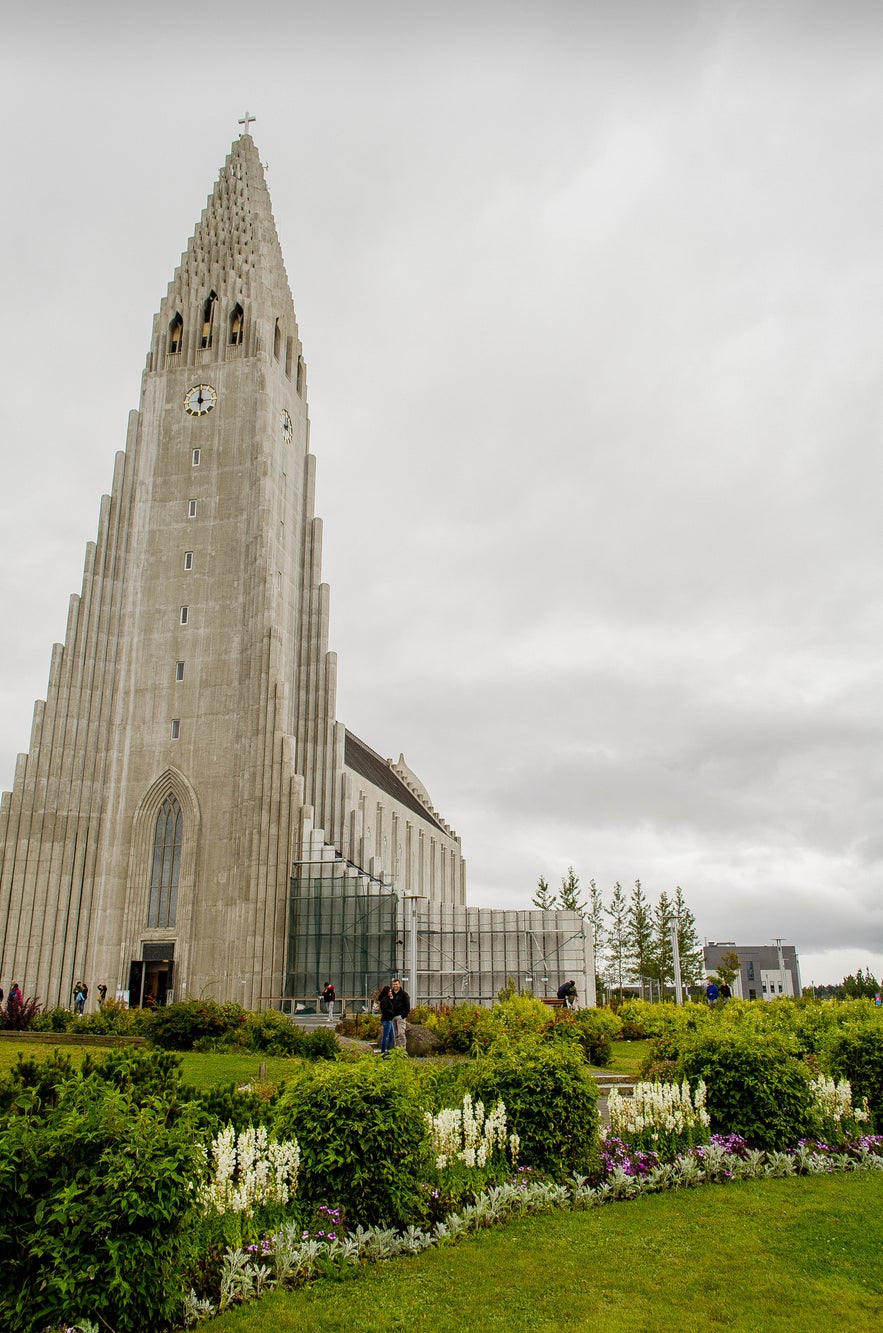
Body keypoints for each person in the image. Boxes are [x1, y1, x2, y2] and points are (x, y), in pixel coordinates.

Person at [390, 978, 410, 1049]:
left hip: (400, 1016)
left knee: (401, 1033)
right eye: (394, 984)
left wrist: (403, 1015)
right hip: (393, 1017)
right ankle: (397, 1049)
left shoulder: (404, 994)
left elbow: (407, 1006)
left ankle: (402, 1050)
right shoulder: (390, 994)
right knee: (395, 1034)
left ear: (399, 985)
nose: (395, 985)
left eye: (396, 984)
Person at [378, 984, 396, 1056]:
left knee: (392, 1036)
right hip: (386, 1019)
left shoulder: (387, 999)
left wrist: (392, 999)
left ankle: (389, 1051)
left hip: (389, 1019)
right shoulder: (384, 1000)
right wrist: (392, 1013)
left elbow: (391, 1006)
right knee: (386, 1036)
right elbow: (385, 1009)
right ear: (387, 992)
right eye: (390, 991)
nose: (391, 993)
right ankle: (383, 1051)